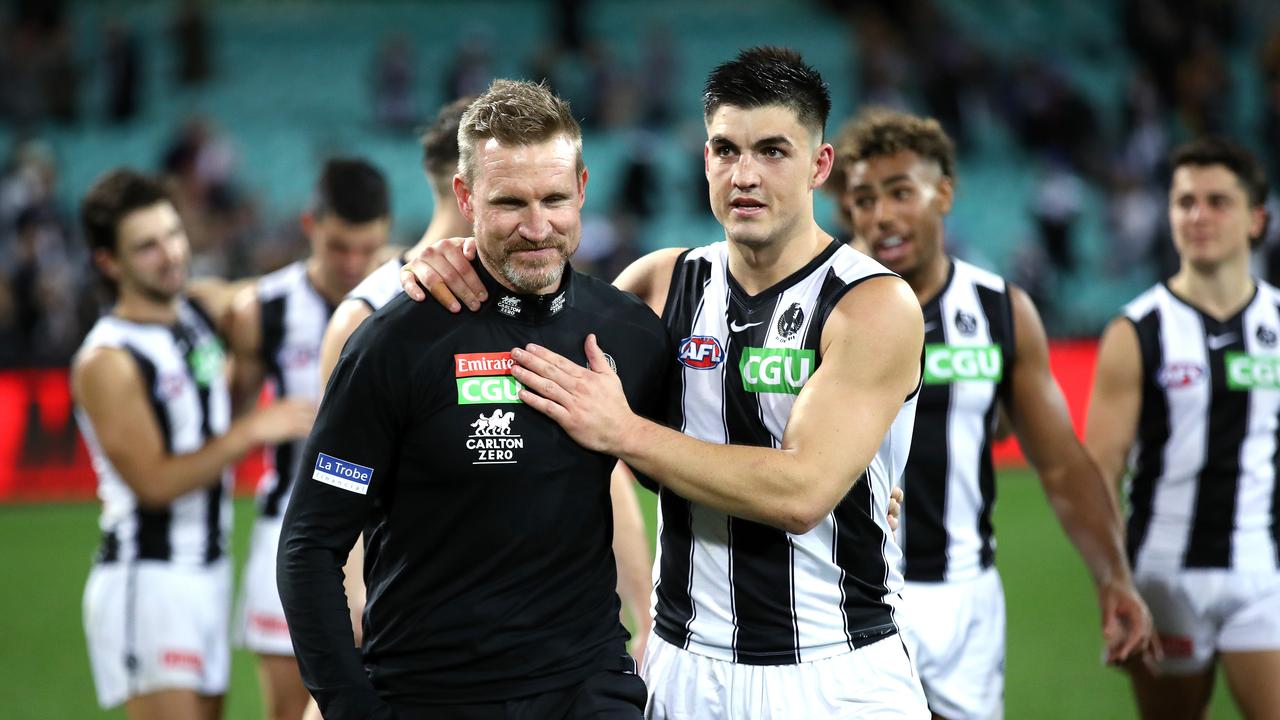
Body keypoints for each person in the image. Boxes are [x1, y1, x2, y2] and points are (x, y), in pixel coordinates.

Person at [403, 46, 930, 719]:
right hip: (684, 671)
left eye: (773, 151)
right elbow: (524, 348)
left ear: (819, 165)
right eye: (725, 150)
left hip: (834, 670)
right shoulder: (660, 282)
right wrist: (448, 264)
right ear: (705, 159)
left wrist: (625, 432)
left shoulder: (871, 304)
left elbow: (803, 492)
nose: (745, 175)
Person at [278, 79, 663, 720]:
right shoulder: (394, 343)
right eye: (510, 201)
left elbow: (695, 474)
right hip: (431, 695)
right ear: (466, 197)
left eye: (555, 199)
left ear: (584, 190)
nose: (537, 227)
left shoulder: (628, 332)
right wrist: (352, 709)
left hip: (588, 692)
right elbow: (310, 546)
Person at [831, 108, 1156, 719]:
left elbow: (1060, 464)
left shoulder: (1000, 310)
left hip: (964, 599)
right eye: (864, 199)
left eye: (902, 192)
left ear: (944, 193)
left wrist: (1113, 574)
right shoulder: (818, 303)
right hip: (845, 594)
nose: (883, 217)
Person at [72, 169, 313, 720]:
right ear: (110, 263)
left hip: (206, 574)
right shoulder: (106, 359)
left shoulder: (198, 312)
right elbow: (154, 483)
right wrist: (249, 431)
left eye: (173, 235)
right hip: (149, 577)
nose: (171, 254)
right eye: (147, 247)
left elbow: (280, 295)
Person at [1086, 137, 1280, 720]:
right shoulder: (1137, 330)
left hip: (1261, 571)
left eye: (1218, 201)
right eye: (1185, 202)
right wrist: (1112, 581)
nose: (1198, 216)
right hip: (1163, 577)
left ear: (1256, 220)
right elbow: (1100, 470)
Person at [226, 158, 391, 720]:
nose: (351, 263)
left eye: (365, 249)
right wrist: (253, 427)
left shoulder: (404, 298)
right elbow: (224, 420)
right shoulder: (261, 311)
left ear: (386, 235)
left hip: (382, 533)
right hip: (288, 529)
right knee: (290, 709)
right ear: (309, 224)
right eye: (338, 246)